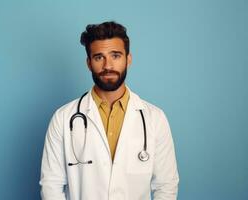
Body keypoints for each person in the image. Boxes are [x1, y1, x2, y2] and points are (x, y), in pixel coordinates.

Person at [39, 21, 179, 200]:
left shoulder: (155, 118)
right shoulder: (63, 118)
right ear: (89, 63)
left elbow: (166, 185)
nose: (107, 65)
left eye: (115, 55)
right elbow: (51, 185)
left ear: (128, 59)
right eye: (99, 57)